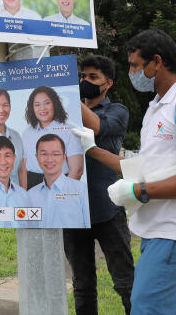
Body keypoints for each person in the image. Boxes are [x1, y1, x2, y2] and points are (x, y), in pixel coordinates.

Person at [77, 29, 176, 315]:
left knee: (146, 309)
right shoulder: (156, 108)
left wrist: (138, 191)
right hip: (155, 231)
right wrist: (92, 149)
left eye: (135, 65)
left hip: (174, 233)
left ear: (156, 62)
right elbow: (142, 169)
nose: (132, 73)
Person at [63, 55, 134, 315]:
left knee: (125, 281)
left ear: (108, 84)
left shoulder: (117, 112)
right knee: (82, 284)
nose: (85, 82)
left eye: (93, 78)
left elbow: (94, 126)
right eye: (83, 77)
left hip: (108, 210)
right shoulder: (65, 112)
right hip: (73, 211)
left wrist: (67, 92)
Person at [20, 85, 83, 189]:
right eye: (37, 105)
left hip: (61, 184)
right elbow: (22, 169)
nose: (42, 108)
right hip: (31, 185)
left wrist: (62, 195)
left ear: (55, 104)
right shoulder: (27, 133)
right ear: (32, 108)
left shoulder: (69, 131)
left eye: (47, 103)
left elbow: (77, 170)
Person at [27, 133, 90, 228]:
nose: (49, 159)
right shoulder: (30, 194)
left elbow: (88, 227)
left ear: (64, 157)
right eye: (43, 154)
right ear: (37, 157)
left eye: (55, 154)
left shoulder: (81, 190)